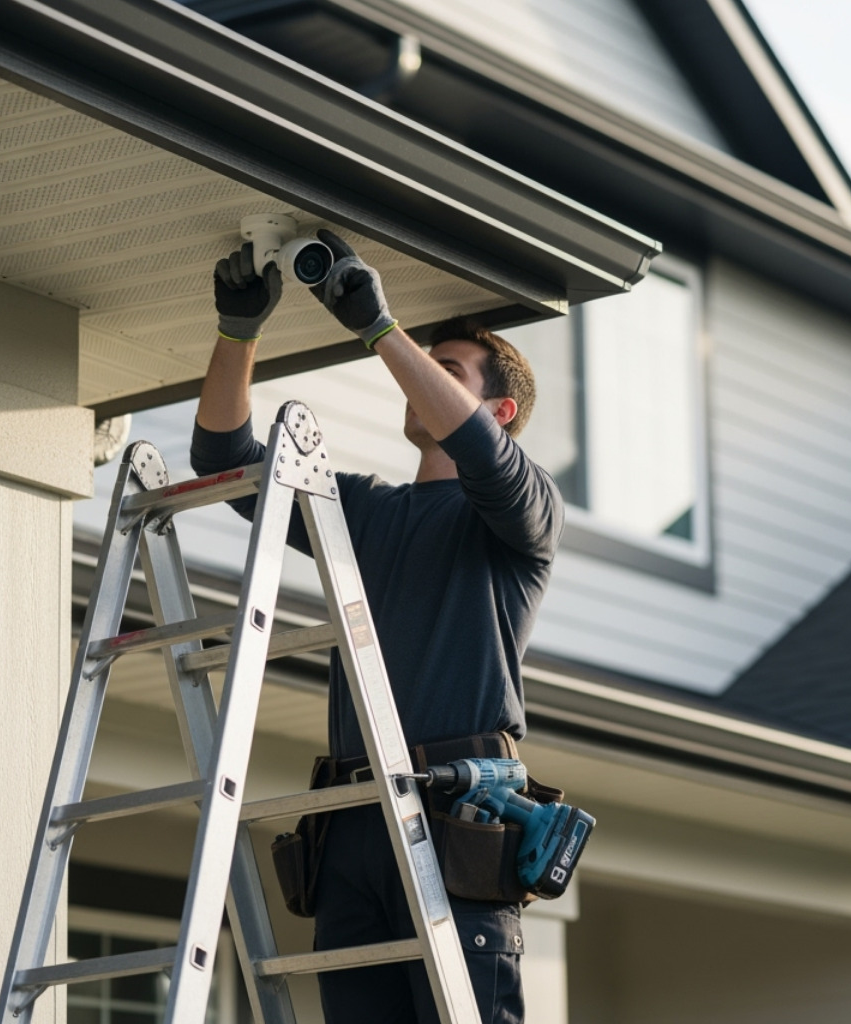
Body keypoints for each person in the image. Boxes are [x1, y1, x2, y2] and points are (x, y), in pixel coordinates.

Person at [191, 229, 562, 1024]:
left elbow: (486, 459)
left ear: (499, 410)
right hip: (353, 823)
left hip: (456, 817)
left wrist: (380, 329)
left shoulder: (521, 512)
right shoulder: (358, 508)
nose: (419, 381)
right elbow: (222, 457)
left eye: (449, 369)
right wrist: (238, 330)